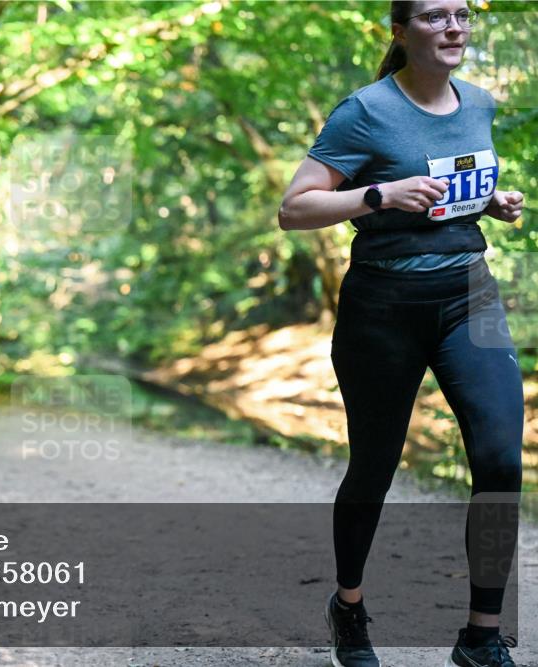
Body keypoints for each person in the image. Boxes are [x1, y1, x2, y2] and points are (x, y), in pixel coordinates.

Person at [278, 2, 525, 666]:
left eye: (462, 15)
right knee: (375, 466)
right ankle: (349, 608)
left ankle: (481, 634)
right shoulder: (364, 111)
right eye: (434, 16)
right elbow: (294, 207)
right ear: (400, 30)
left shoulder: (478, 102)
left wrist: (490, 202)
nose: (453, 28)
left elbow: (453, 186)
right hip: (383, 304)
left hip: (468, 294)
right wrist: (378, 195)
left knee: (502, 460)